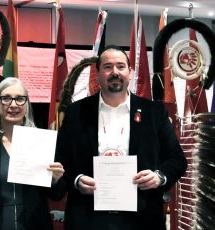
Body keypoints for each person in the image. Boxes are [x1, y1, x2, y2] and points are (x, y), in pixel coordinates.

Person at [55, 45, 187, 230]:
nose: (115, 72)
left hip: (142, 219)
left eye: (120, 66)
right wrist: (76, 180)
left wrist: (159, 177)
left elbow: (177, 160)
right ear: (98, 74)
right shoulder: (76, 112)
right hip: (88, 218)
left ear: (130, 73)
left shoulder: (154, 112)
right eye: (108, 67)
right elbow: (60, 161)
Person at [0, 77, 65, 230]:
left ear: (27, 105)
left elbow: (57, 195)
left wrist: (55, 180)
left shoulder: (42, 142)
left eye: (20, 99)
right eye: (6, 98)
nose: (13, 105)